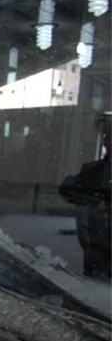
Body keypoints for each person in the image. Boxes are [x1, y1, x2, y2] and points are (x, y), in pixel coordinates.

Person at [59, 116, 111, 280]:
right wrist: (95, 201)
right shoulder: (93, 172)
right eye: (109, 137)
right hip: (99, 248)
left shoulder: (93, 171)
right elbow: (69, 190)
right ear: (105, 141)